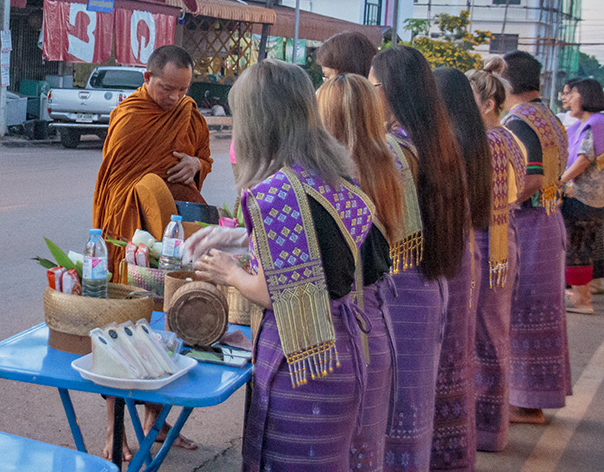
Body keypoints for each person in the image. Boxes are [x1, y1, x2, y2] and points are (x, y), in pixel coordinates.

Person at [190, 59, 373, 470]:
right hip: (341, 348)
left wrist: (230, 272)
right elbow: (318, 254)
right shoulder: (333, 178)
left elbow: (275, 294)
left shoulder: (276, 193)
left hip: (299, 361)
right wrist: (238, 238)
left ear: (258, 121)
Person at [91, 44, 212, 458]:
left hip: (174, 240)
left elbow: (204, 157)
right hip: (129, 233)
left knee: (167, 329)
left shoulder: (188, 113)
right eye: (166, 89)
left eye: (182, 90)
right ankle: (113, 432)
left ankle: (156, 424)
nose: (174, 98)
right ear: (146, 78)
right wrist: (150, 189)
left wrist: (196, 165)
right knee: (123, 328)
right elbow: (115, 185)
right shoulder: (129, 117)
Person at [369, 46, 468, 472]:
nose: (369, 94)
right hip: (428, 287)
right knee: (412, 405)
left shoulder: (391, 150)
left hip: (398, 295)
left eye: (372, 86)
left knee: (393, 409)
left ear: (390, 92)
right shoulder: (439, 142)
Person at [316, 73, 404, 470]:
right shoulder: (387, 162)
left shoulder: (335, 178)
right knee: (365, 442)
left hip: (346, 327)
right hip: (376, 317)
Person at [500, 50, 571, 424]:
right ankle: (531, 397)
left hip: (530, 226)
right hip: (548, 220)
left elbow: (533, 177)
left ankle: (526, 402)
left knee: (523, 309)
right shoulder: (547, 115)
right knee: (538, 310)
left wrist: (496, 202)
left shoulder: (519, 121)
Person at [429, 67, 493, 471]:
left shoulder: (442, 144)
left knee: (442, 358)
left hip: (445, 259)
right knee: (456, 354)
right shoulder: (475, 140)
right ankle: (454, 453)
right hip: (465, 254)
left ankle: (439, 454)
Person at [466, 58, 527, 452]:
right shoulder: (509, 139)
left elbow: (478, 203)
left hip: (489, 245)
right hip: (503, 241)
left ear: (488, 103)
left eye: (468, 98)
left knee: (484, 336)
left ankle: (486, 430)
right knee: (493, 333)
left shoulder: (488, 142)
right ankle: (492, 427)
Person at [560, 78, 604, 314]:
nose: (566, 98)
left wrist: (560, 181)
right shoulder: (590, 123)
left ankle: (581, 300)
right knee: (582, 247)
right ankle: (582, 295)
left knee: (577, 248)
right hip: (589, 199)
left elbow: (584, 159)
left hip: (583, 198)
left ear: (584, 95)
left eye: (571, 93)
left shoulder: (596, 123)